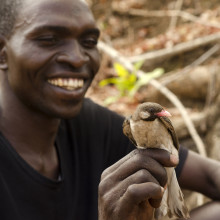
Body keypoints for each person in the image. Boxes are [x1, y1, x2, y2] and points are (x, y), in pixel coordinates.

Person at [0, 0, 219, 219]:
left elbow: (210, 176)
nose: (77, 58)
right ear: (2, 52)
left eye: (89, 41)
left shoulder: (90, 123)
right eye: (49, 40)